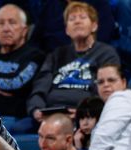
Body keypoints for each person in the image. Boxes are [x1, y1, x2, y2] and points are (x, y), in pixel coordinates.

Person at [25, 2, 119, 132]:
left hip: (86, 116)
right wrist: (36, 110)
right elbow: (40, 85)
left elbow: (107, 88)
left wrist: (85, 112)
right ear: (67, 30)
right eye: (72, 19)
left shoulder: (106, 53)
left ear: (94, 26)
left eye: (82, 17)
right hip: (50, 114)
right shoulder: (56, 55)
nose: (77, 22)